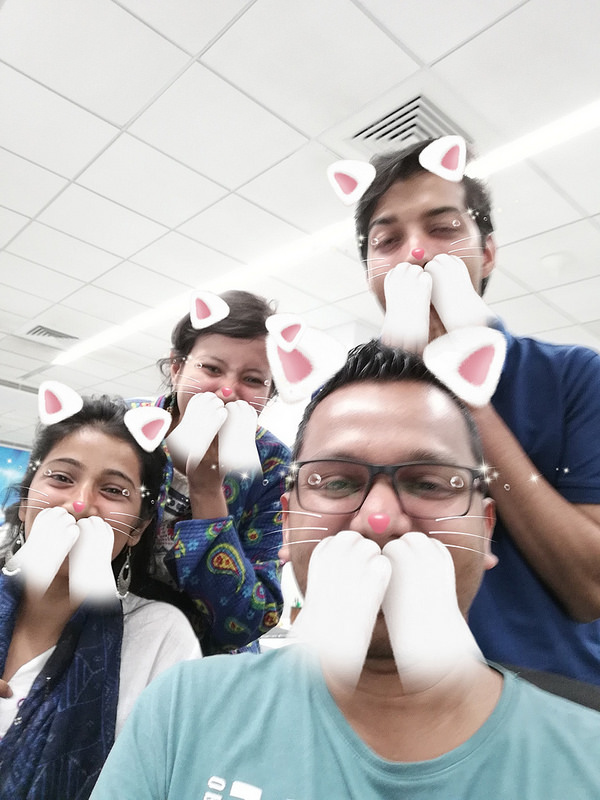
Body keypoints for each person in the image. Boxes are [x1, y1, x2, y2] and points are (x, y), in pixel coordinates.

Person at [90, 341, 600, 800]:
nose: (379, 520)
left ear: (485, 529)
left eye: (428, 483)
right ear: (288, 523)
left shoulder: (586, 758)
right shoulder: (182, 708)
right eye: (336, 482)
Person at [353, 138, 600, 684]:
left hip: (552, 698)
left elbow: (590, 590)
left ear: (486, 253)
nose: (416, 253)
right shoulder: (348, 402)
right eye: (387, 240)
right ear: (371, 271)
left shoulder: (576, 377)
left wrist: (463, 391)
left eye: (443, 229)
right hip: (390, 697)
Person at [0, 395, 201, 800]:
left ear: (137, 529)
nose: (80, 504)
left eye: (113, 490)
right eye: (61, 478)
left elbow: (176, 778)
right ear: (25, 502)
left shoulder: (159, 636)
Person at [133, 289, 290, 655]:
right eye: (211, 368)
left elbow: (249, 620)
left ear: (269, 394)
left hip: (206, 663)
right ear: (177, 368)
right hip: (102, 644)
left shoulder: (272, 465)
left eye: (253, 379)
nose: (227, 390)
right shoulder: (126, 428)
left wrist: (207, 491)